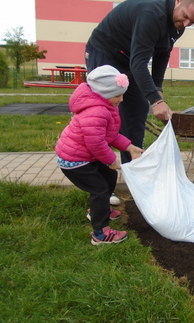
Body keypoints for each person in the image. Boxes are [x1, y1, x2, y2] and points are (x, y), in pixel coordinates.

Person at [85, 0, 194, 164]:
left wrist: (157, 90)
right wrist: (156, 102)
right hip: (105, 53)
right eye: (185, 17)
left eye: (192, 22)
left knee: (138, 107)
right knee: (102, 113)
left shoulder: (177, 25)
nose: (186, 24)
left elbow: (162, 54)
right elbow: (139, 63)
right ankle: (97, 175)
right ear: (178, 1)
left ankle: (133, 166)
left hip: (128, 59)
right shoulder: (151, 16)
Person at [55, 65, 144, 245]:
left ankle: (99, 210)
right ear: (104, 93)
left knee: (109, 176)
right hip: (74, 161)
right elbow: (96, 143)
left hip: (83, 156)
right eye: (118, 95)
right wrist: (111, 160)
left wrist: (130, 147)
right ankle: (101, 234)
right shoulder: (96, 111)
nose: (122, 99)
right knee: (100, 189)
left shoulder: (105, 104)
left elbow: (110, 135)